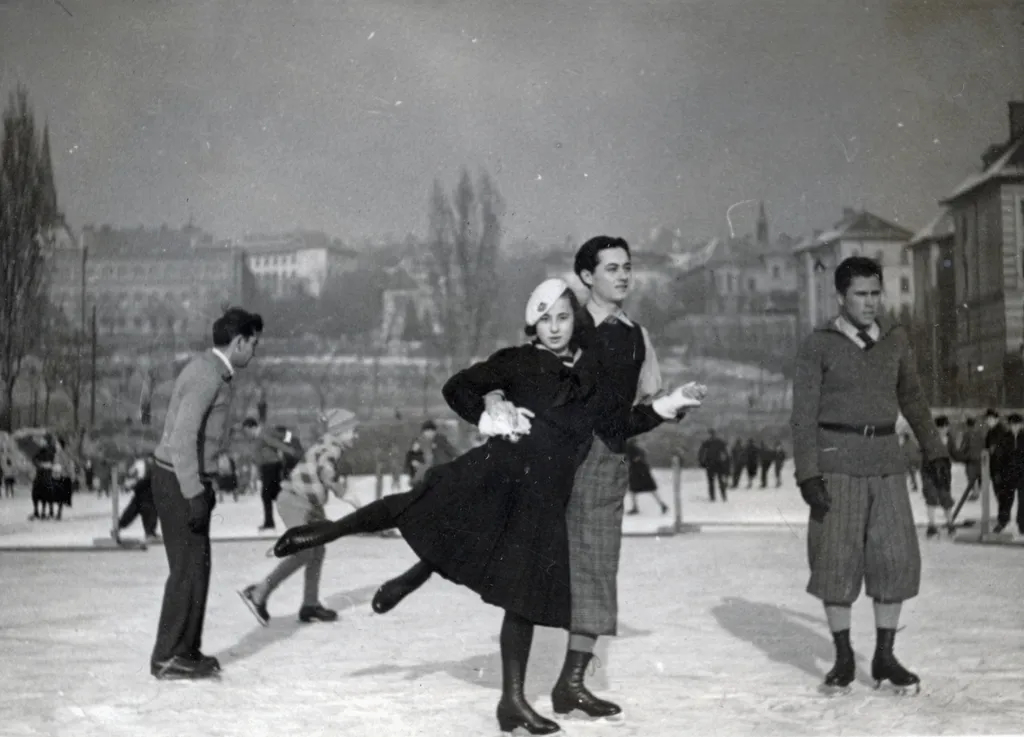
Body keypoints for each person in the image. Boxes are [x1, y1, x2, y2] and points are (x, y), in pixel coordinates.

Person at [272, 279, 702, 734]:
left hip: (542, 500)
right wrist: (490, 415)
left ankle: (511, 703)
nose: (554, 327)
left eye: (562, 317)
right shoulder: (517, 360)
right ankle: (325, 531)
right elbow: (457, 388)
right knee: (414, 506)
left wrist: (672, 402)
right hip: (497, 472)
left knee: (522, 597)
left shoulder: (588, 377)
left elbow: (620, 423)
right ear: (532, 324)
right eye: (544, 319)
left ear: (574, 320)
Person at [370, 236, 684, 721]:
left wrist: (670, 406)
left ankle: (571, 683)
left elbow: (637, 408)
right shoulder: (564, 321)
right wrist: (495, 397)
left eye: (628, 267)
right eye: (612, 268)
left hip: (602, 459)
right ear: (586, 277)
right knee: (503, 536)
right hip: (548, 457)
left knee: (595, 568)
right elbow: (514, 369)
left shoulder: (638, 337)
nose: (623, 276)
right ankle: (420, 573)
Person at [790, 256, 948, 695]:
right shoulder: (818, 344)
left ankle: (884, 655)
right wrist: (808, 474)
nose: (870, 302)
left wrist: (935, 450)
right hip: (836, 463)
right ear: (841, 297)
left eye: (876, 293)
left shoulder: (895, 340)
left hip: (886, 464)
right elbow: (802, 416)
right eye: (860, 294)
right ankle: (843, 657)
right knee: (835, 561)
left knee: (895, 559)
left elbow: (913, 399)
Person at [149, 307, 262, 681]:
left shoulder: (214, 373)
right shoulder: (206, 376)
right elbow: (182, 438)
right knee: (187, 569)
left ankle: (185, 650)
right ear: (239, 341)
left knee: (198, 568)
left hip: (189, 480)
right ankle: (167, 656)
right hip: (179, 481)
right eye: (253, 344)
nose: (254, 352)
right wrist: (194, 492)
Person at [239, 409, 360, 625]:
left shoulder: (327, 443)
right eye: (352, 430)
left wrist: (291, 450)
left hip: (309, 503)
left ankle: (310, 605)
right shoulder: (330, 447)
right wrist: (343, 492)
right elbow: (326, 469)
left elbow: (290, 442)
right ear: (339, 431)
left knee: (318, 549)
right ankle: (259, 592)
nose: (356, 435)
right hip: (295, 501)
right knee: (304, 552)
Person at [243, 417, 303, 531]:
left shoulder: (263, 434)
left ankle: (270, 522)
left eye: (246, 430)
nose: (246, 434)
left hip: (271, 466)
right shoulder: (258, 437)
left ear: (252, 427)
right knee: (276, 494)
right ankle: (294, 514)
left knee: (267, 495)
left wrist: (291, 449)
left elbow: (277, 443)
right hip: (267, 467)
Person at [990, 412, 1024, 535]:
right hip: (1007, 474)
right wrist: (997, 473)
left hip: (1022, 475)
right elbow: (997, 458)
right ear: (1009, 425)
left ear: (1021, 425)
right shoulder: (1004, 438)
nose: (1015, 427)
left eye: (1017, 424)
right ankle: (1002, 522)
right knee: (1005, 500)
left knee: (1023, 500)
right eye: (1013, 424)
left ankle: (1022, 525)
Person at [922, 417, 956, 538]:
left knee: (946, 498)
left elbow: (955, 454)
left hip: (944, 474)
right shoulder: (930, 439)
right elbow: (925, 456)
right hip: (930, 473)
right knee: (931, 497)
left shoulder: (950, 439)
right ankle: (931, 525)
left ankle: (950, 524)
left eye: (946, 427)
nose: (944, 429)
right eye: (942, 427)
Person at [115, 453, 160, 542]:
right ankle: (118, 526)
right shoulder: (146, 466)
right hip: (144, 495)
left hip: (145, 495)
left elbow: (144, 479)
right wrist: (131, 486)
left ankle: (150, 533)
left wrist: (131, 486)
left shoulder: (149, 467)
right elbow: (143, 479)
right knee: (142, 512)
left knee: (146, 513)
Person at [404, 420, 458, 485]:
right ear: (423, 432)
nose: (429, 434)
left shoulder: (440, 439)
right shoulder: (419, 441)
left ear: (435, 431)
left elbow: (451, 449)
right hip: (425, 471)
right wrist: (412, 462)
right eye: (427, 431)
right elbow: (411, 455)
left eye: (432, 431)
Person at [625, 439, 669, 515]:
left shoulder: (631, 449)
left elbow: (632, 459)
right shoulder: (637, 449)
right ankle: (662, 505)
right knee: (644, 489)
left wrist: (626, 461)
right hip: (642, 471)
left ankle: (636, 507)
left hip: (637, 472)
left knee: (634, 490)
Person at [698, 429, 730, 502]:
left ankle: (715, 497)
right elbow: (726, 453)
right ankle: (722, 496)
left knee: (713, 482)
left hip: (713, 464)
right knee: (718, 481)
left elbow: (701, 453)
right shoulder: (716, 442)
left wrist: (702, 462)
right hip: (716, 464)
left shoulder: (707, 443)